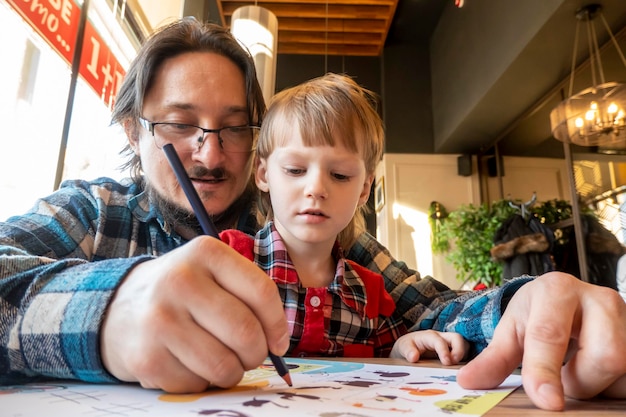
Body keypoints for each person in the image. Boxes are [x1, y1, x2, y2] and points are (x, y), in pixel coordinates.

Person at [0, 18, 624, 411]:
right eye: (182, 125)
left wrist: (538, 308)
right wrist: (110, 310)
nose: (211, 152)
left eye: (235, 128)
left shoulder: (314, 233)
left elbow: (437, 309)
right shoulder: (96, 210)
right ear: (137, 130)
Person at [217, 72, 469, 364]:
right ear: (263, 174)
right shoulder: (229, 261)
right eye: (295, 170)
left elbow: (387, 358)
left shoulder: (372, 294)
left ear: (364, 189)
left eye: (339, 175)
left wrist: (402, 348)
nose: (316, 189)